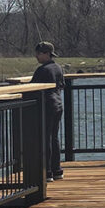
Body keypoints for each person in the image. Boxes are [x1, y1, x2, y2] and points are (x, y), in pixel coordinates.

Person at [30, 38, 67, 181]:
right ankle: (57, 171)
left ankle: (47, 173)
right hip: (57, 105)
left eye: (38, 54)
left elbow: (31, 89)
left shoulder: (42, 70)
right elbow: (61, 85)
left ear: (46, 54)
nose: (36, 56)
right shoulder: (58, 68)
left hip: (46, 106)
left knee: (44, 138)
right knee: (54, 137)